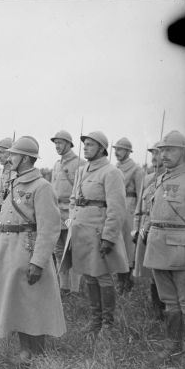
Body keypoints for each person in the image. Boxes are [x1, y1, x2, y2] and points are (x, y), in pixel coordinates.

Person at [0, 136, 65, 365]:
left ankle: (36, 355)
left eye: (13, 155)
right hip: (7, 251)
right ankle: (25, 351)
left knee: (32, 304)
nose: (9, 158)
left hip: (27, 251)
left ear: (25, 158)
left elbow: (49, 228)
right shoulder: (13, 183)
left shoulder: (42, 187)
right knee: (17, 303)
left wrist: (38, 262)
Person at [68, 131, 128, 335]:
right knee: (89, 276)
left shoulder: (111, 172)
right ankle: (95, 321)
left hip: (98, 233)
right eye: (85, 144)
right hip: (81, 232)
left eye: (91, 144)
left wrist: (109, 237)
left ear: (102, 148)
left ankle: (107, 324)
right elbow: (73, 201)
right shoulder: (82, 171)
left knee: (102, 277)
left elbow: (117, 208)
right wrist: (72, 222)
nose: (85, 147)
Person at [144, 131, 185, 361]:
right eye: (162, 150)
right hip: (158, 246)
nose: (163, 154)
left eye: (170, 149)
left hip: (181, 247)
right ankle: (171, 342)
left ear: (184, 152)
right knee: (168, 299)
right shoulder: (161, 178)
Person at [132, 143, 165, 320]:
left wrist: (148, 226)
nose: (154, 157)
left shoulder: (169, 178)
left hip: (157, 229)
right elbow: (140, 206)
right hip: (144, 230)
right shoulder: (147, 178)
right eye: (152, 153)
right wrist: (136, 228)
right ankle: (156, 311)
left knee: (160, 271)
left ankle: (165, 308)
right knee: (150, 272)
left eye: (158, 153)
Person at [50, 130, 84, 296]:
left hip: (72, 212)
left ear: (69, 144)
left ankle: (75, 289)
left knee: (73, 250)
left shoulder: (80, 163)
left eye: (60, 142)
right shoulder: (56, 164)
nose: (57, 145)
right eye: (55, 143)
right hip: (56, 213)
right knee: (58, 250)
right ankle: (63, 288)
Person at [113, 137, 143, 294]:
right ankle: (120, 281)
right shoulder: (114, 168)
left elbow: (141, 196)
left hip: (130, 211)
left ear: (128, 151)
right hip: (116, 211)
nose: (117, 152)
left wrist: (138, 218)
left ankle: (128, 282)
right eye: (115, 149)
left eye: (120, 149)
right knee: (118, 247)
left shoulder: (137, 170)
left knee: (128, 247)